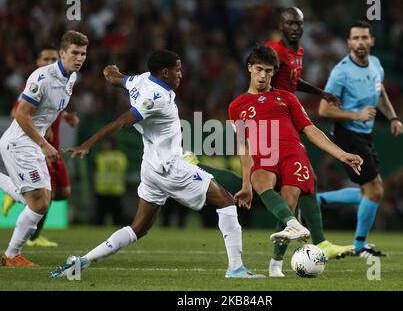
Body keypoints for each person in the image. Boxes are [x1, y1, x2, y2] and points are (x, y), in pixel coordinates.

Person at [50, 50, 264, 279]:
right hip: (170, 167)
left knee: (138, 228)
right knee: (226, 202)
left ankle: (82, 261)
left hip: (151, 168)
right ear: (164, 72)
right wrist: (88, 144)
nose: (180, 74)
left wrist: (111, 73)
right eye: (177, 70)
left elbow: (118, 79)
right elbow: (122, 121)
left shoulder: (140, 79)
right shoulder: (156, 97)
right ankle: (236, 268)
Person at [228, 45, 363, 275]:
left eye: (269, 71)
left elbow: (311, 130)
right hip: (264, 153)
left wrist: (342, 154)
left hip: (292, 152)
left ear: (274, 72)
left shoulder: (286, 97)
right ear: (250, 68)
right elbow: (244, 146)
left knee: (290, 198)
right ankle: (293, 224)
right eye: (259, 69)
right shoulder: (236, 105)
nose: (263, 75)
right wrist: (245, 185)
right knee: (259, 180)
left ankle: (276, 263)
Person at [0, 30, 88, 267]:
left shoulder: (71, 78)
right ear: (62, 53)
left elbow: (50, 109)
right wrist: (44, 143)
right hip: (20, 143)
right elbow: (20, 114)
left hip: (33, 143)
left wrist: (63, 118)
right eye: (74, 53)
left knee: (44, 200)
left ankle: (10, 254)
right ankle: (11, 255)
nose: (79, 58)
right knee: (39, 203)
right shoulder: (41, 78)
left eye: (83, 53)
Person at [318, 21, 403, 257]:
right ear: (348, 42)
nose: (360, 42)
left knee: (370, 191)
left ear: (372, 41)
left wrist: (393, 117)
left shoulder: (376, 65)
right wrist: (356, 114)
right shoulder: (341, 72)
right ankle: (359, 246)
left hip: (365, 135)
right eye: (355, 38)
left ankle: (316, 200)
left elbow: (381, 93)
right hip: (347, 135)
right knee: (375, 190)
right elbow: (324, 110)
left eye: (364, 37)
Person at [92, 137, 128, 225]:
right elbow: (123, 170)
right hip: (117, 188)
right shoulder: (121, 157)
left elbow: (95, 171)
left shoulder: (100, 157)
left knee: (100, 215)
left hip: (102, 188)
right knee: (117, 216)